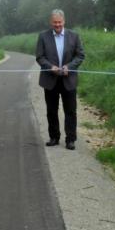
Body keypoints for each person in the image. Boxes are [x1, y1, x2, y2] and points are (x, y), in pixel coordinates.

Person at [35, 9, 85, 150]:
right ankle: (54, 137)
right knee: (51, 110)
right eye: (54, 22)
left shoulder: (74, 36)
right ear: (51, 22)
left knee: (70, 111)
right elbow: (40, 57)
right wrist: (50, 67)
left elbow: (80, 56)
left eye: (59, 22)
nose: (57, 25)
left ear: (64, 21)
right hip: (50, 80)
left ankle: (70, 139)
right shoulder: (43, 36)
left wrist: (70, 66)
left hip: (69, 80)